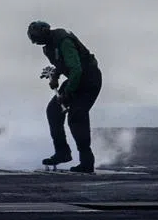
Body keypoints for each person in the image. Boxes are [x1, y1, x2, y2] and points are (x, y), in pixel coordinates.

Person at [28, 21, 102, 173]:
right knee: (53, 111)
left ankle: (87, 161)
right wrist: (55, 76)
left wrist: (67, 94)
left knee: (77, 115)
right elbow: (63, 65)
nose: (37, 41)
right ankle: (62, 152)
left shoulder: (63, 41)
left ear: (45, 32)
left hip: (89, 79)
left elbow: (76, 68)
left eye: (37, 37)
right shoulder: (49, 45)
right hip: (76, 79)